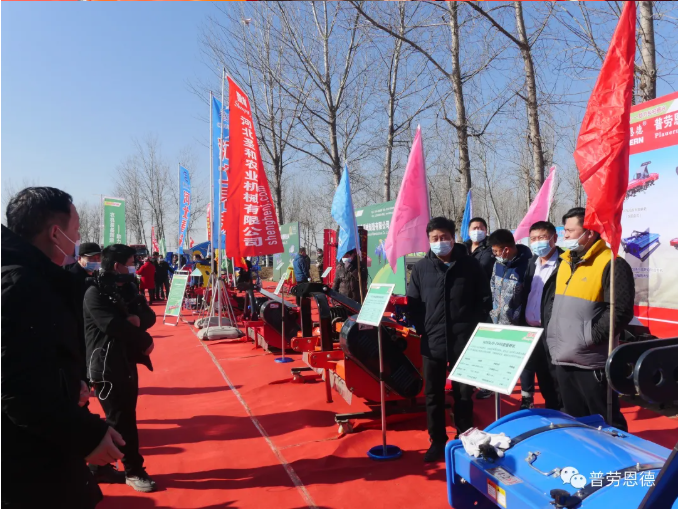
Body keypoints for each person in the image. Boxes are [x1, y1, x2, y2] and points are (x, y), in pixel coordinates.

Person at [2, 187, 125, 509]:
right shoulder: (18, 286)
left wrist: (71, 384)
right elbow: (16, 388)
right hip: (29, 463)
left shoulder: (35, 279)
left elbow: (36, 359)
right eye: (76, 230)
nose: (79, 238)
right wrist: (87, 436)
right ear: (56, 233)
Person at [406, 217, 492, 463]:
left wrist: (472, 328)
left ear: (453, 238)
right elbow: (413, 303)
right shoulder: (422, 268)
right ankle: (437, 440)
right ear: (429, 240)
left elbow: (484, 300)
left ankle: (465, 437)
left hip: (463, 342)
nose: (440, 242)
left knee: (463, 394)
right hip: (432, 341)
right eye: (435, 238)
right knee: (433, 394)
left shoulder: (470, 265)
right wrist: (423, 328)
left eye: (444, 237)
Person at [546, 207, 633, 432]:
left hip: (592, 362)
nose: (565, 236)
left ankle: (617, 456)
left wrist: (589, 338)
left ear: (589, 233)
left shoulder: (612, 263)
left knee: (606, 423)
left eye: (569, 231)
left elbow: (621, 311)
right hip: (563, 357)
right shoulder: (565, 263)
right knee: (575, 422)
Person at [84, 244, 158, 492]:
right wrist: (144, 339)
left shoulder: (127, 288)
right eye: (131, 263)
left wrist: (136, 320)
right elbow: (112, 326)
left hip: (125, 362)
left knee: (122, 418)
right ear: (117, 266)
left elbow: (148, 316)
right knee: (121, 420)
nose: (134, 267)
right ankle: (134, 470)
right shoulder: (94, 292)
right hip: (105, 366)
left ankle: (98, 468)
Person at [517, 221, 562, 411]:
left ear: (554, 238)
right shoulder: (531, 263)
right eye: (533, 239)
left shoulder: (565, 263)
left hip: (553, 332)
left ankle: (560, 414)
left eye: (542, 237)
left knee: (556, 380)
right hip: (531, 331)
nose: (537, 242)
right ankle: (550, 410)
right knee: (543, 378)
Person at [464, 217, 497, 400]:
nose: (477, 231)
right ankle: (469, 382)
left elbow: (484, 270)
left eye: (481, 227)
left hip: (484, 303)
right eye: (474, 228)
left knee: (485, 345)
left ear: (485, 230)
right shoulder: (462, 248)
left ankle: (487, 384)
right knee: (468, 345)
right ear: (468, 231)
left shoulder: (489, 249)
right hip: (464, 304)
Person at [487, 229, 533, 326]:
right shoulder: (498, 264)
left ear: (506, 250)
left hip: (517, 325)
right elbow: (493, 287)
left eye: (496, 251)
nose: (494, 254)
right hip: (497, 322)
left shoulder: (527, 266)